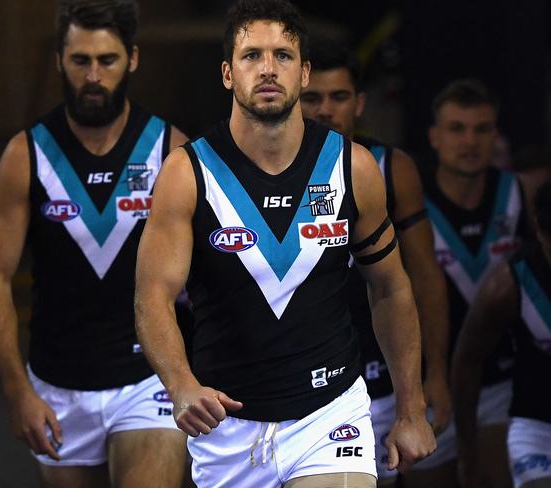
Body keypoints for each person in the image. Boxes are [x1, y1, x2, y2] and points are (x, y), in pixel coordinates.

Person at [133, 1, 436, 487]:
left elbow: (391, 289)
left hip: (329, 415)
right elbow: (153, 296)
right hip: (227, 424)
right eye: (252, 56)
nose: (268, 69)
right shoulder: (186, 174)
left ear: (305, 72)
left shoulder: (353, 168)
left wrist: (412, 408)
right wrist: (181, 384)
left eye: (284, 55)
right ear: (229, 74)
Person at [0, 1, 187, 486]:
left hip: (145, 381)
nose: (93, 75)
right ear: (59, 61)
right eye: (80, 61)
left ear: (131, 59)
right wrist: (16, 391)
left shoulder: (168, 149)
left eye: (106, 61)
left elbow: (210, 274)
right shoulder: (25, 155)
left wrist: (190, 376)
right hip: (56, 387)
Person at [300, 41, 451, 487]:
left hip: (385, 379)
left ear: (360, 103)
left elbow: (425, 278)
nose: (326, 110)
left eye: (339, 97)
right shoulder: (265, 170)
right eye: (313, 98)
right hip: (304, 387)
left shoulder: (392, 168)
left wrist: (435, 375)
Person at [410, 78, 525, 488]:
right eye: (457, 128)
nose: (470, 140)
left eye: (481, 128)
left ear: (496, 135)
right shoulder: (410, 197)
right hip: (428, 387)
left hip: (500, 382)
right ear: (434, 137)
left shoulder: (515, 193)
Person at [452, 180, 551, 488]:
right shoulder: (507, 285)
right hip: (538, 430)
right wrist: (468, 454)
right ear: (539, 231)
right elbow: (467, 361)